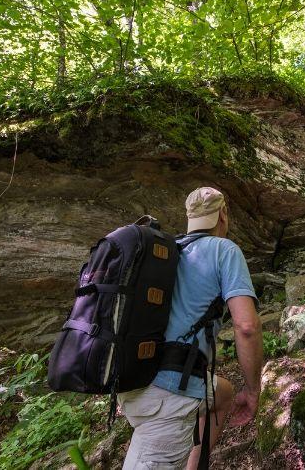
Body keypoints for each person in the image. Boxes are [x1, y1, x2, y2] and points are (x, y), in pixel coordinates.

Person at [119, 187, 263, 470]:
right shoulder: (225, 249)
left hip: (135, 377)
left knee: (222, 395)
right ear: (223, 215)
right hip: (169, 399)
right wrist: (253, 388)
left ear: (189, 217)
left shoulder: (165, 252)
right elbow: (246, 326)